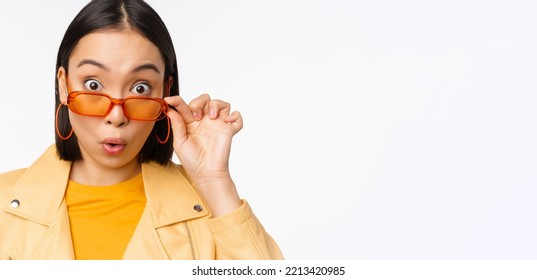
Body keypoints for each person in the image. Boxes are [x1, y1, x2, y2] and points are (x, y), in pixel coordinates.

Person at [0, 0, 282, 260]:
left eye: (140, 88)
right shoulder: (4, 203)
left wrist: (213, 181)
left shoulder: (208, 207)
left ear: (165, 92)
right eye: (93, 84)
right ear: (64, 85)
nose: (117, 115)